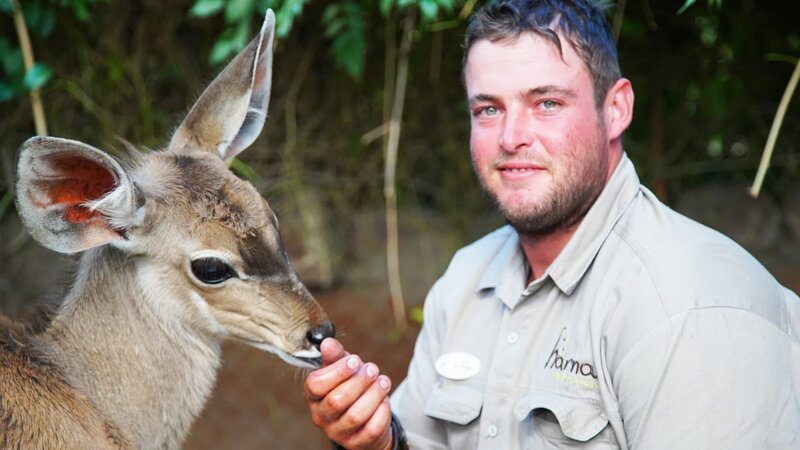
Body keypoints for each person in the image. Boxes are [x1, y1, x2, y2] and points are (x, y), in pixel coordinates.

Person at [304, 0, 800, 448]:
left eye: (547, 103)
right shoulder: (466, 280)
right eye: (488, 109)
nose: (512, 137)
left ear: (616, 108)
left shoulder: (691, 308)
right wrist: (377, 441)